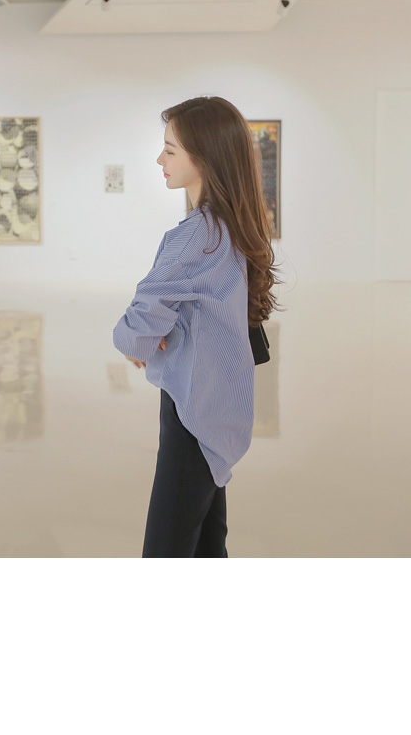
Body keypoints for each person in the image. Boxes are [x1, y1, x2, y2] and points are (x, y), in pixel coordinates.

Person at [112, 96, 285, 557]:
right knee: (207, 541)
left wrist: (134, 340)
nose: (160, 160)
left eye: (170, 150)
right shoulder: (233, 225)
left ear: (203, 157)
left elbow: (141, 320)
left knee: (167, 547)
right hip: (221, 401)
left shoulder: (195, 235)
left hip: (191, 407)